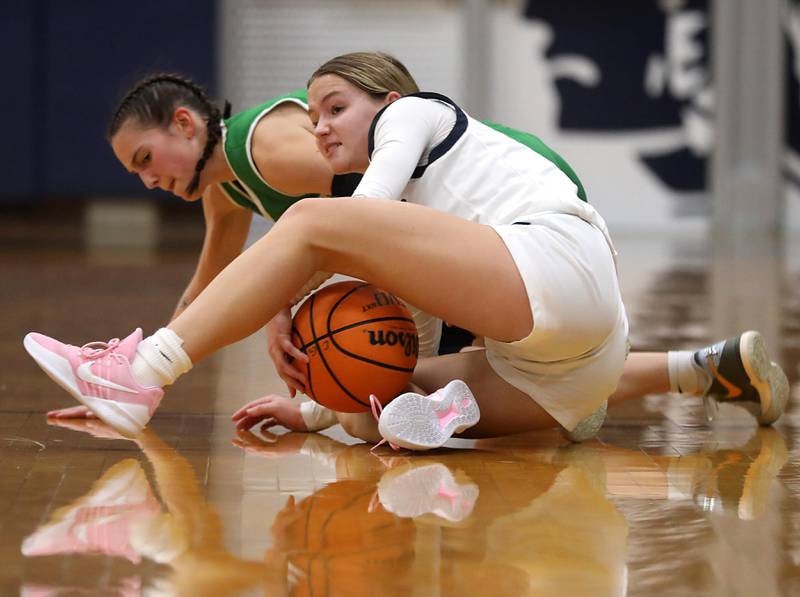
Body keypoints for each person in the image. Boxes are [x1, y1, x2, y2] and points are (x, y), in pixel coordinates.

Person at [29, 52, 788, 449]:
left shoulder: (407, 118)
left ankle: (140, 371)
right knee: (367, 407)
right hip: (567, 359)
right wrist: (311, 404)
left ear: (384, 101)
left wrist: (283, 307)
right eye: (314, 111)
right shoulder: (239, 185)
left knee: (314, 233)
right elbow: (222, 281)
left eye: (333, 109)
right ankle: (702, 367)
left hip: (546, 250)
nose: (319, 128)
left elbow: (352, 222)